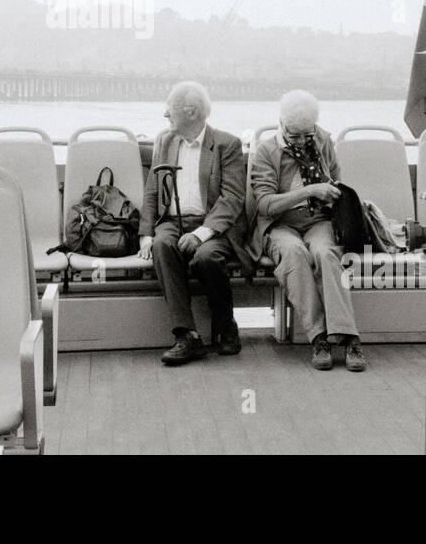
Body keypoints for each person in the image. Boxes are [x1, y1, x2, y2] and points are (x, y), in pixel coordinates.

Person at [250, 90, 367, 372]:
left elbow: (337, 180)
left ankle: (349, 337)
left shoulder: (323, 141)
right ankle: (319, 338)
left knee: (327, 254)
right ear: (281, 125)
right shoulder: (266, 151)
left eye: (307, 135)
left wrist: (331, 192)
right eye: (295, 136)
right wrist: (310, 189)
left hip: (318, 219)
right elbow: (265, 204)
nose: (302, 141)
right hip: (281, 223)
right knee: (294, 254)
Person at [137, 82, 247, 366]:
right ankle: (187, 336)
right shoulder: (164, 141)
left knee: (206, 258)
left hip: (212, 225)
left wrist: (200, 234)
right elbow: (151, 191)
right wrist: (145, 234)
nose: (165, 114)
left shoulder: (227, 145)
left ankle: (226, 326)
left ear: (190, 111)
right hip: (172, 220)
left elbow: (232, 199)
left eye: (169, 108)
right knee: (162, 246)